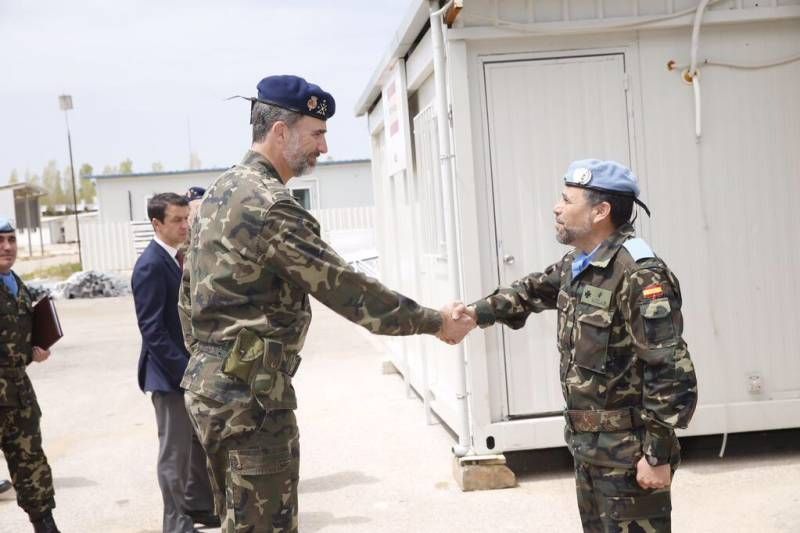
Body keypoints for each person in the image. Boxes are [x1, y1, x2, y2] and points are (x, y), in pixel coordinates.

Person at [179, 74, 474, 532]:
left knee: (237, 519)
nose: (324, 147)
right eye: (316, 134)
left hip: (213, 390)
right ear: (281, 132)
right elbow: (348, 290)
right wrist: (435, 321)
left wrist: (213, 361)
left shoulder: (220, 191)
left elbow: (187, 294)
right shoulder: (271, 206)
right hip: (250, 398)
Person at [449, 160, 697, 532]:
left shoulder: (639, 273)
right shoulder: (580, 264)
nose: (556, 207)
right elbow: (530, 291)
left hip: (628, 456)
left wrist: (657, 454)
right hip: (589, 449)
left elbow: (670, 370)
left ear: (601, 211)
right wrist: (474, 313)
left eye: (567, 200)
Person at [132, 195, 217, 532]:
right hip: (169, 377)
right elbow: (152, 330)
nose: (186, 225)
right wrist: (186, 372)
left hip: (186, 370)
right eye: (178, 220)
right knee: (174, 452)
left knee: (195, 445)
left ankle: (196, 505)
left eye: (187, 218)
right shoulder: (151, 264)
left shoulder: (176, 258)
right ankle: (175, 521)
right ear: (157, 224)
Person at [0, 218, 60, 533]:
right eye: (0, 241)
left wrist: (34, 351)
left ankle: (45, 525)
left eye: (11, 239)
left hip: (18, 394)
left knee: (31, 465)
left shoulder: (16, 283)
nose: (7, 247)